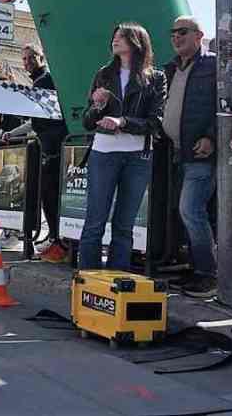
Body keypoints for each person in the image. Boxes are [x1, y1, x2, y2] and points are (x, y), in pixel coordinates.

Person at [79, 23, 166, 272]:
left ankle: (117, 282)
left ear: (136, 42)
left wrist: (123, 121)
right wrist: (97, 106)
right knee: (95, 221)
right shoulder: (104, 74)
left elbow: (155, 121)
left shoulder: (156, 77)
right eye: (114, 36)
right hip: (103, 152)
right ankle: (87, 281)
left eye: (121, 36)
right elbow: (87, 121)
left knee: (124, 225)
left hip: (138, 156)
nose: (115, 40)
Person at [159, 17, 217, 297]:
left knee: (191, 210)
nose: (176, 37)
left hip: (200, 153)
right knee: (182, 212)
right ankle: (193, 268)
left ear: (199, 35)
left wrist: (211, 137)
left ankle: (208, 274)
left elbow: (230, 104)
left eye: (182, 32)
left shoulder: (215, 65)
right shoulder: (170, 68)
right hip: (174, 153)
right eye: (173, 33)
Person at [0, 45, 69, 262]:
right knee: (47, 196)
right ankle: (55, 238)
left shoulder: (46, 81)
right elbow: (35, 120)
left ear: (42, 58)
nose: (27, 62)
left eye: (32, 58)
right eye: (25, 58)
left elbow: (47, 116)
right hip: (48, 148)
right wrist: (12, 132)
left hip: (55, 149)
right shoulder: (39, 83)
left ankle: (59, 242)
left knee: (51, 196)